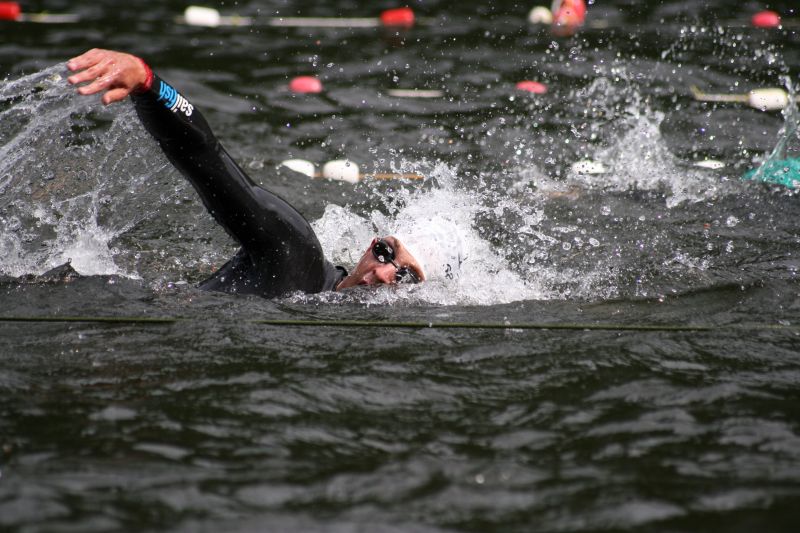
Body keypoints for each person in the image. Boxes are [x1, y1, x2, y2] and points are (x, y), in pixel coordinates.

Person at [66, 48, 426, 298]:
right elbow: (208, 160)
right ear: (370, 245)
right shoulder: (295, 252)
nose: (381, 274)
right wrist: (149, 85)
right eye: (384, 252)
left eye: (405, 276)